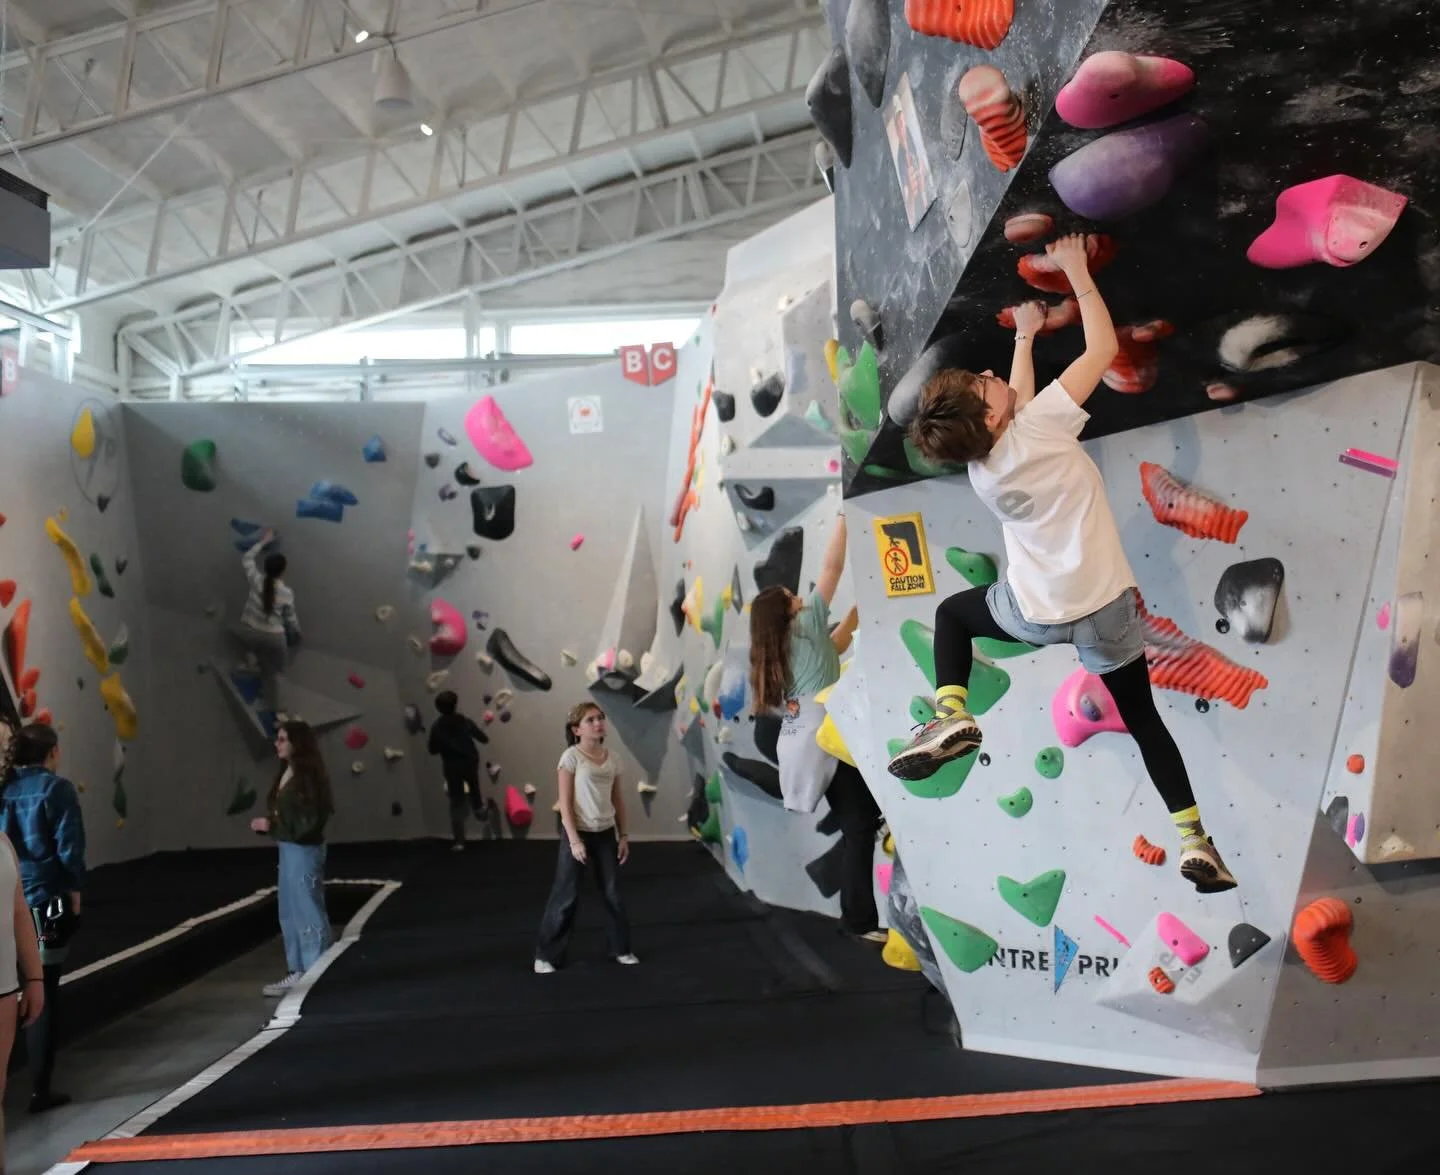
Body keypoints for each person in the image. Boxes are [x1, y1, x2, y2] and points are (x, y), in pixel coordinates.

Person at [887, 233, 1235, 894]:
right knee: (1146, 722)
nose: (992, 377)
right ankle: (1195, 839)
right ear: (992, 414)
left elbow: (1014, 408)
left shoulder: (986, 466)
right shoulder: (1039, 425)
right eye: (984, 381)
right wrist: (1075, 269)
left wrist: (1023, 339)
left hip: (1035, 615)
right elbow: (1101, 350)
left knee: (952, 616)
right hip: (1103, 612)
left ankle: (952, 707)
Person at [749, 512, 886, 943]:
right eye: (793, 596)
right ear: (788, 611)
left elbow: (838, 643)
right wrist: (844, 520)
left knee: (860, 821)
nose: (802, 598)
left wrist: (860, 611)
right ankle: (858, 919)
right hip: (829, 738)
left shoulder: (786, 644)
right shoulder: (804, 627)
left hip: (805, 740)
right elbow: (831, 567)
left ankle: (857, 916)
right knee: (861, 823)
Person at [0, 721, 85, 1112]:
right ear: (52, 752)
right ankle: (40, 1089)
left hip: (9, 899)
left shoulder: (5, 790)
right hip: (47, 899)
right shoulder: (58, 789)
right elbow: (69, 849)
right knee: (45, 990)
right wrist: (74, 894)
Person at [534, 703, 637, 973]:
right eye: (590, 720)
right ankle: (546, 956)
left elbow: (618, 800)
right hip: (577, 833)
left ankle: (621, 948)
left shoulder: (613, 758)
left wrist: (623, 834)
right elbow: (565, 804)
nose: (598, 723)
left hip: (605, 835)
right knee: (566, 896)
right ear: (576, 729)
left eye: (600, 718)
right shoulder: (570, 758)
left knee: (613, 894)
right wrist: (574, 841)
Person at [250, 721, 335, 995]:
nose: (278, 743)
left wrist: (271, 827)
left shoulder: (306, 779)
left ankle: (316, 969)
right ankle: (299, 968)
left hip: (302, 849)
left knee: (306, 907)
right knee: (290, 908)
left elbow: (308, 822)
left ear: (298, 744)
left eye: (284, 739)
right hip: (289, 848)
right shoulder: (290, 774)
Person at [235, 529, 299, 728]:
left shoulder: (256, 579)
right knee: (279, 671)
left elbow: (247, 558)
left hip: (250, 631)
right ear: (282, 571)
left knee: (254, 648)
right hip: (273, 638)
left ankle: (251, 660)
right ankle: (280, 710)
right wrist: (296, 632)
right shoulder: (286, 593)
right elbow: (290, 619)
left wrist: (263, 542)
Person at [427, 690, 490, 851]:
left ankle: (460, 841)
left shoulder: (437, 726)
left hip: (452, 765)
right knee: (475, 792)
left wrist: (445, 746)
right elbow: (482, 738)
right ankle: (483, 812)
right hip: (469, 761)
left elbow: (432, 749)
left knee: (456, 800)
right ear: (455, 705)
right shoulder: (463, 721)